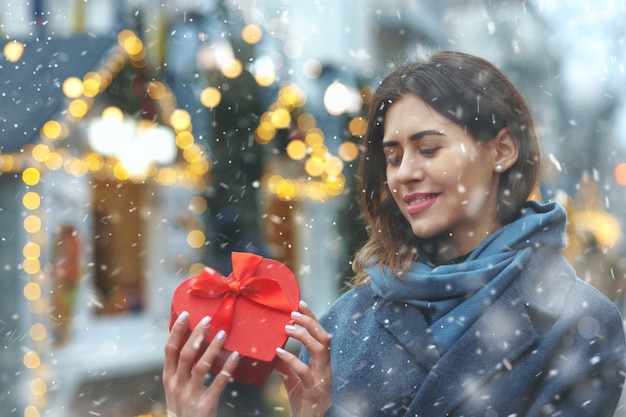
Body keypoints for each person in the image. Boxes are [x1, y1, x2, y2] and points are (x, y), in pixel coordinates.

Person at [162, 50, 626, 417]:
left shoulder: (578, 322)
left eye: (427, 148)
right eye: (393, 156)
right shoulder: (347, 319)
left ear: (501, 149)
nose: (403, 174)